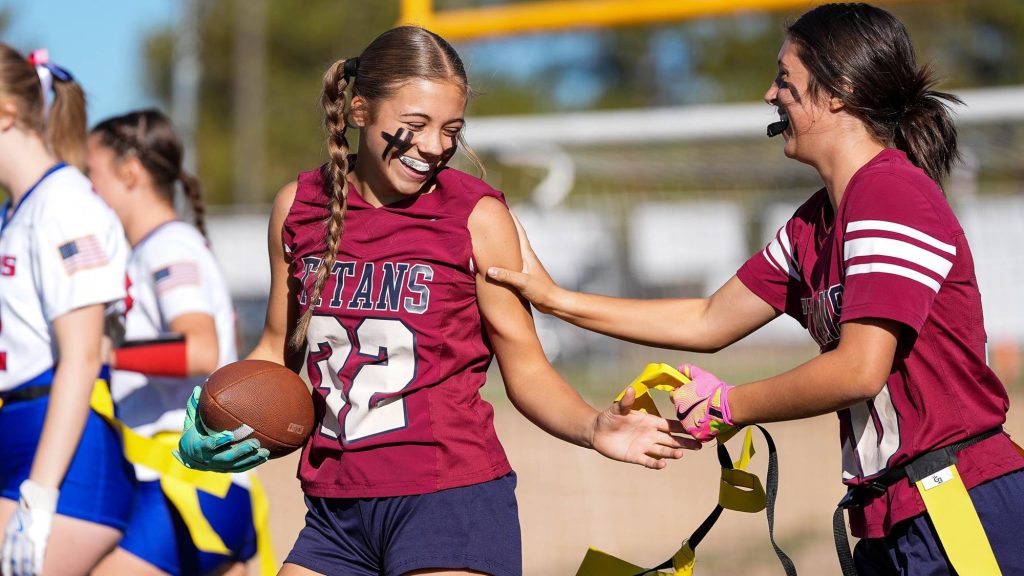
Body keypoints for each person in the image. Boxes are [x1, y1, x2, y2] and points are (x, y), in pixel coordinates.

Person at [486, 3, 1024, 575]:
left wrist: (730, 406)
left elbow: (859, 369)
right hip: (890, 515)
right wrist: (556, 299)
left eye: (785, 80)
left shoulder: (889, 193)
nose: (771, 94)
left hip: (956, 503)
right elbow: (708, 319)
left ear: (838, 92)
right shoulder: (814, 221)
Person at [173, 25, 697, 576]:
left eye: (451, 129)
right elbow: (278, 347)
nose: (435, 146)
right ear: (359, 111)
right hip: (335, 508)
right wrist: (212, 418)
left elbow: (527, 368)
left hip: (450, 499)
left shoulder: (477, 215)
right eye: (415, 125)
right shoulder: (297, 206)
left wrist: (592, 427)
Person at [85, 109, 258, 576]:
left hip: (184, 483)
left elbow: (200, 349)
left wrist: (102, 355)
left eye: (90, 173)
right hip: (187, 484)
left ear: (130, 171)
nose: (86, 188)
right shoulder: (157, 248)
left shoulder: (168, 246)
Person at [0, 47, 133, 576]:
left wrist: (39, 495)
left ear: (6, 112)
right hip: (24, 439)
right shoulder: (22, 208)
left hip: (64, 461)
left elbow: (81, 358)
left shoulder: (64, 202)